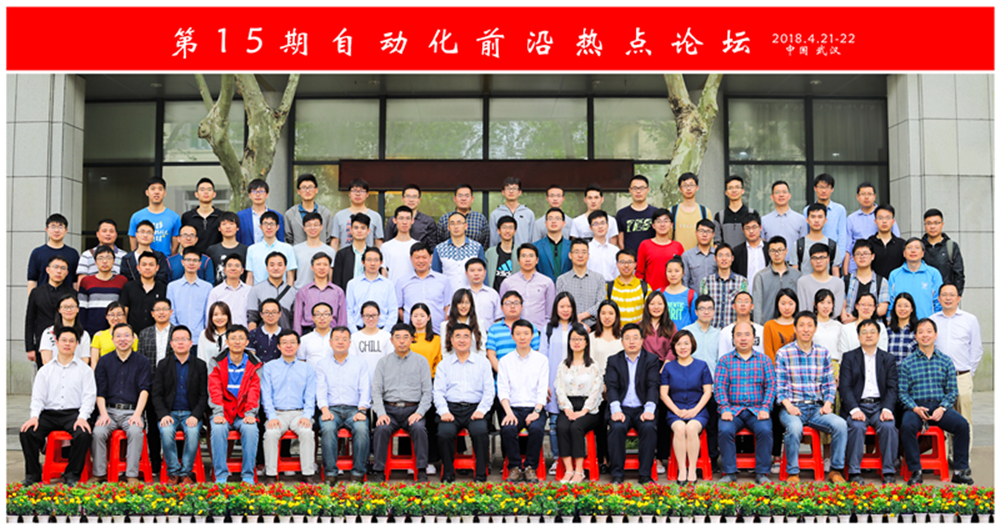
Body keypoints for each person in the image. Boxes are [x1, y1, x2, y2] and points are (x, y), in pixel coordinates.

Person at [898, 319, 974, 486]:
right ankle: (915, 471)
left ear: (935, 335)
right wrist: (915, 408)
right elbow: (902, 392)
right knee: (907, 426)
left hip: (940, 406)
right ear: (916, 336)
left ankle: (960, 471)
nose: (925, 335)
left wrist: (943, 407)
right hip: (917, 407)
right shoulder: (907, 363)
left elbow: (952, 390)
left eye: (929, 331)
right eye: (921, 332)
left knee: (962, 425)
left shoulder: (945, 361)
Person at [775, 312, 848, 483]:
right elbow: (779, 386)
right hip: (792, 407)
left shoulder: (823, 353)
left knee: (841, 425)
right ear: (795, 328)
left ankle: (835, 470)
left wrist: (828, 403)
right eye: (801, 325)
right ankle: (793, 473)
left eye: (810, 325)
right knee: (794, 427)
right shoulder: (784, 353)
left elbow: (829, 384)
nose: (805, 329)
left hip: (816, 408)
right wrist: (789, 406)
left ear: (815, 329)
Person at [20, 327, 96, 487]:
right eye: (64, 340)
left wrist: (82, 417)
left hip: (73, 414)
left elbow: (89, 397)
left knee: (83, 434)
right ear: (56, 342)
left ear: (77, 344)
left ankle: (72, 475)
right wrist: (34, 417)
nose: (67, 344)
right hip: (49, 414)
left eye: (71, 341)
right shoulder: (45, 370)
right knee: (27, 432)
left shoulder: (85, 370)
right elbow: (38, 397)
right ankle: (33, 475)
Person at [370, 323, 433, 483]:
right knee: (381, 429)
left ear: (412, 339)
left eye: (406, 337)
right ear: (392, 340)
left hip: (413, 409)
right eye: (397, 337)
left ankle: (421, 470)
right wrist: (381, 413)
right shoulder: (383, 362)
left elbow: (427, 392)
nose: (402, 341)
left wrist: (419, 413)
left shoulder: (421, 361)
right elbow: (376, 391)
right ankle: (379, 471)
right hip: (389, 410)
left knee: (419, 429)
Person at [90, 323, 152, 484]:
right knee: (98, 432)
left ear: (133, 339)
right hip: (109, 411)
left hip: (132, 411)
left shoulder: (142, 362)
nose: (122, 339)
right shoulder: (104, 361)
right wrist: (103, 414)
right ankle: (100, 473)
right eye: (118, 336)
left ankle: (131, 474)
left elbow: (144, 390)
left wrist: (137, 415)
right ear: (112, 339)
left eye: (126, 335)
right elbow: (100, 391)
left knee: (136, 431)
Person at [839, 319, 898, 485]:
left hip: (880, 406)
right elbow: (845, 387)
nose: (868, 335)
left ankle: (888, 471)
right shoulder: (849, 357)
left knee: (888, 426)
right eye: (864, 332)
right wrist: (854, 409)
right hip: (858, 405)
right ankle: (854, 472)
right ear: (858, 337)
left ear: (878, 336)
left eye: (872, 332)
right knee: (856, 426)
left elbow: (893, 387)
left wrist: (887, 408)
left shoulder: (888, 358)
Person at [715, 321, 775, 484]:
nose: (743, 338)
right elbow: (720, 386)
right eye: (739, 335)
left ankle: (762, 473)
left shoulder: (764, 360)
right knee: (725, 430)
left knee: (765, 430)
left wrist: (765, 407)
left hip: (757, 410)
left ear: (754, 338)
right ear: (733, 338)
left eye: (747, 335)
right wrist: (724, 408)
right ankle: (729, 472)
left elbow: (771, 386)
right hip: (732, 410)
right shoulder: (725, 360)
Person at [435, 323, 494, 483]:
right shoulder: (444, 364)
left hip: (475, 409)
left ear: (472, 340)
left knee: (480, 432)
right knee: (444, 433)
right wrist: (444, 411)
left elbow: (489, 391)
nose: (462, 340)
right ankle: (448, 474)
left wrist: (481, 410)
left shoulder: (483, 363)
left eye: (466, 336)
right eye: (458, 336)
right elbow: (438, 392)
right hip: (451, 408)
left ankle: (480, 475)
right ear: (451, 340)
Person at [150, 326, 209, 485]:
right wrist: (163, 415)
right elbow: (156, 394)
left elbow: (204, 395)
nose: (180, 342)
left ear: (191, 343)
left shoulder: (200, 365)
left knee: (192, 433)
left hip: (191, 413)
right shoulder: (163, 364)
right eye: (177, 339)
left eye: (184, 339)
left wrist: (195, 415)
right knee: (166, 431)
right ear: (171, 344)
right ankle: (174, 472)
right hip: (170, 413)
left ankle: (185, 473)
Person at [259, 328, 318, 484]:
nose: (289, 346)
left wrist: (307, 416)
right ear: (278, 346)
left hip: (300, 413)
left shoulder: (307, 368)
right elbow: (266, 396)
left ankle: (308, 473)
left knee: (307, 432)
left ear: (298, 345)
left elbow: (310, 397)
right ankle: (271, 474)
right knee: (271, 433)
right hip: (278, 413)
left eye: (292, 342)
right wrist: (271, 416)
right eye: (284, 342)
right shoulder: (269, 367)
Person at [931, 283, 983, 455]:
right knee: (942, 418)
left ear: (958, 298)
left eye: (952, 295)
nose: (948, 298)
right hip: (938, 379)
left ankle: (962, 459)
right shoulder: (933, 320)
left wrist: (967, 373)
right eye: (944, 295)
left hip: (961, 376)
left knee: (964, 418)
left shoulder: (970, 320)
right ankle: (944, 457)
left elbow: (976, 350)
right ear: (939, 298)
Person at [316, 326, 371, 485]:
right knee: (327, 428)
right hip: (331, 409)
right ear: (330, 342)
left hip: (354, 409)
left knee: (361, 429)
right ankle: (330, 473)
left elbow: (365, 388)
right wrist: (324, 410)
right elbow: (321, 390)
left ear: (350, 342)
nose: (340, 342)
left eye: (344, 339)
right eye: (337, 339)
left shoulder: (360, 363)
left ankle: (358, 473)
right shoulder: (322, 364)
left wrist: (362, 410)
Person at [605, 323, 660, 484]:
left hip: (643, 408)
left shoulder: (651, 360)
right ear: (622, 341)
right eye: (627, 338)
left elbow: (653, 386)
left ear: (642, 340)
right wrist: (616, 410)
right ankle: (617, 474)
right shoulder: (614, 360)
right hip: (622, 408)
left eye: (635, 338)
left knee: (649, 427)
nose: (632, 341)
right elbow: (612, 387)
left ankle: (645, 475)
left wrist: (649, 409)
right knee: (616, 427)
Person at [208, 325, 262, 484]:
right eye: (233, 338)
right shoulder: (216, 362)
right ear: (227, 342)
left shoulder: (255, 364)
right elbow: (214, 390)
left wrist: (250, 414)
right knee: (218, 428)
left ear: (247, 342)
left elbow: (254, 391)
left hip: (244, 413)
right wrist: (218, 413)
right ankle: (220, 475)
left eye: (241, 338)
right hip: (223, 412)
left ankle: (248, 475)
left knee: (251, 429)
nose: (237, 342)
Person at [497, 319, 550, 483]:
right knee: (508, 429)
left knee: (536, 428)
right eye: (518, 333)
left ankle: (530, 467)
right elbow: (503, 390)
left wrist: (536, 412)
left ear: (532, 336)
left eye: (526, 333)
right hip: (512, 408)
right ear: (512, 336)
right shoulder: (505, 361)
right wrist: (508, 412)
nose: (522, 337)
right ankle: (514, 467)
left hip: (535, 408)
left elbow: (542, 389)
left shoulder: (541, 360)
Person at [660, 329, 713, 485]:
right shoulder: (669, 367)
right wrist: (676, 411)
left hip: (698, 410)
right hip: (675, 410)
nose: (682, 347)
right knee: (679, 428)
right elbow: (663, 394)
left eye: (686, 343)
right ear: (674, 347)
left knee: (691, 428)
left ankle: (692, 469)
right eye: (678, 344)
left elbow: (707, 392)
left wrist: (695, 410)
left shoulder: (702, 365)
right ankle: (682, 469)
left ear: (692, 345)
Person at [553, 324, 603, 483]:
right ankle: (568, 470)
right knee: (562, 426)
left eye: (580, 339)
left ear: (586, 342)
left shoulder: (593, 365)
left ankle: (579, 471)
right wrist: (567, 409)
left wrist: (584, 410)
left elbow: (596, 390)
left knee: (576, 427)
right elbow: (559, 388)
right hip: (568, 405)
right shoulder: (563, 365)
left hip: (589, 409)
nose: (576, 342)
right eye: (573, 339)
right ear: (569, 342)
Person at [540, 292, 579, 473]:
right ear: (556, 308)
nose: (565, 310)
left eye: (569, 306)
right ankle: (557, 459)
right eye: (562, 306)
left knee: (574, 423)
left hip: (576, 383)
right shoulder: (548, 329)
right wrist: (544, 384)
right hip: (554, 382)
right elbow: (543, 358)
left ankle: (575, 458)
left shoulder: (579, 329)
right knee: (555, 422)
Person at [682, 295, 722, 469]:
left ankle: (711, 460)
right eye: (702, 309)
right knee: (687, 425)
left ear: (714, 311)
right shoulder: (687, 332)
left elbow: (720, 362)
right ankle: (687, 459)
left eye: (709, 308)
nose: (706, 312)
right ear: (696, 311)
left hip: (712, 389)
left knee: (712, 426)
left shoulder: (719, 335)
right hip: (690, 388)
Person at [409, 303, 443, 474]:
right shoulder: (407, 338)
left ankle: (429, 459)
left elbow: (439, 362)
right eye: (415, 315)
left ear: (429, 317)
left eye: (422, 316)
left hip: (431, 382)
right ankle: (410, 459)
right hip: (409, 384)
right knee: (410, 420)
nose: (419, 319)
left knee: (428, 423)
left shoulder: (436, 339)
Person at [843, 182, 900, 274]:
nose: (866, 197)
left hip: (882, 263)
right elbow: (848, 248)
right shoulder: (851, 219)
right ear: (857, 197)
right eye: (863, 194)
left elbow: (895, 241)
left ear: (875, 196)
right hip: (857, 266)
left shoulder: (884, 215)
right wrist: (846, 273)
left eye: (869, 194)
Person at [397, 242, 452, 333]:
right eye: (417, 257)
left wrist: (443, 327)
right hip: (412, 334)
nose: (421, 261)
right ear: (411, 259)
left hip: (437, 332)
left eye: (424, 257)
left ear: (431, 257)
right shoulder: (402, 282)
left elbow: (447, 306)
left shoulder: (443, 280)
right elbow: (399, 308)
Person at [167, 248, 213, 355]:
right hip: (178, 340)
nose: (191, 263)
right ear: (182, 262)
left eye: (195, 260)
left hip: (200, 339)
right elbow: (171, 314)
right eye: (188, 260)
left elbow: (207, 315)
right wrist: (179, 334)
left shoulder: (207, 287)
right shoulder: (172, 287)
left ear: (200, 264)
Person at [500, 243, 555, 326]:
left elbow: (550, 313)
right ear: (518, 261)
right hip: (514, 329)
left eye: (531, 256)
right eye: (523, 256)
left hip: (539, 329)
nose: (527, 259)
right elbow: (503, 310)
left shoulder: (547, 282)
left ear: (537, 260)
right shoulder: (508, 282)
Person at [486, 291, 542, 372]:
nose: (512, 306)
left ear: (521, 307)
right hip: (502, 376)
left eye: (516, 303)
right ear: (501, 308)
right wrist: (502, 373)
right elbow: (491, 354)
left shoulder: (531, 327)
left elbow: (536, 352)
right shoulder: (493, 329)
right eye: (508, 303)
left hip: (527, 375)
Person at [887, 238, 943, 320]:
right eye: (909, 248)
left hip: (927, 323)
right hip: (902, 323)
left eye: (917, 248)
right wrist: (889, 319)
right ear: (904, 253)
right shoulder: (894, 274)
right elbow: (891, 301)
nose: (913, 251)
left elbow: (939, 301)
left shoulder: (933, 273)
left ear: (923, 253)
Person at [556, 239, 606, 328]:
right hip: (569, 326)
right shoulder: (562, 280)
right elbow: (560, 306)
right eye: (576, 252)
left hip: (594, 327)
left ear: (588, 255)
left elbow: (601, 303)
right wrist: (575, 320)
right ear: (570, 255)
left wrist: (582, 316)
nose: (580, 255)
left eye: (583, 252)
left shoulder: (599, 278)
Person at [295, 252, 349, 335]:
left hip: (332, 333)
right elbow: (297, 319)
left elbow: (342, 318)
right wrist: (297, 338)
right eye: (318, 264)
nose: (322, 268)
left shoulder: (338, 292)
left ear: (330, 268)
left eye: (325, 265)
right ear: (312, 267)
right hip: (309, 332)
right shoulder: (303, 291)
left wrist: (341, 335)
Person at [751, 237, 801, 324]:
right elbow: (757, 306)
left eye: (780, 250)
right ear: (769, 253)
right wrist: (758, 327)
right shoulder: (761, 276)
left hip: (792, 325)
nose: (777, 254)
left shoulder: (797, 275)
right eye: (773, 251)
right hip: (767, 324)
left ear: (786, 251)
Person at [699, 243, 748, 329]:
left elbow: (745, 308)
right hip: (711, 330)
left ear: (732, 258)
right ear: (715, 258)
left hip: (733, 330)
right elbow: (702, 309)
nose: (724, 258)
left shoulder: (741, 281)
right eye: (720, 255)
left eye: (727, 255)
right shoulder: (706, 281)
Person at [432, 211, 486, 290]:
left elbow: (483, 274)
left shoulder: (477, 247)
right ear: (448, 227)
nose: (456, 226)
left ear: (466, 226)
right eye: (452, 223)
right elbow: (436, 276)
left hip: (472, 294)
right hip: (447, 295)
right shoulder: (439, 249)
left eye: (459, 223)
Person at [346, 247, 396, 331]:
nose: (372, 263)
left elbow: (393, 311)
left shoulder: (388, 284)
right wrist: (354, 332)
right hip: (358, 329)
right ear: (363, 262)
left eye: (376, 260)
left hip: (382, 329)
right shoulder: (353, 284)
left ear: (381, 263)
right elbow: (348, 311)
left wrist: (385, 332)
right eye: (369, 260)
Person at [129, 176, 181, 256]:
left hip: (165, 260)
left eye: (160, 189)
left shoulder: (174, 217)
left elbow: (175, 248)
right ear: (147, 192)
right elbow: (133, 246)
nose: (156, 192)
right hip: (143, 261)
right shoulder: (136, 217)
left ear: (164, 193)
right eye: (153, 189)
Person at [27, 213, 79, 293]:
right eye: (53, 227)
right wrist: (32, 299)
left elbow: (75, 281)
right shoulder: (37, 253)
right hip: (43, 298)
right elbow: (32, 280)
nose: (56, 230)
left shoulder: (73, 253)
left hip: (67, 298)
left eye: (60, 227)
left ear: (66, 230)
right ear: (47, 229)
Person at [246, 251, 298, 330]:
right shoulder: (256, 290)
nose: (276, 268)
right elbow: (252, 317)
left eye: (280, 265)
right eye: (272, 265)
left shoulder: (293, 292)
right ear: (267, 268)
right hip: (263, 336)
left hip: (285, 336)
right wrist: (253, 336)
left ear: (285, 268)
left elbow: (295, 319)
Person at [841, 240, 890, 323]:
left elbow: (882, 309)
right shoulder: (845, 280)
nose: (862, 256)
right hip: (850, 327)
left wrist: (857, 318)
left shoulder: (882, 281)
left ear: (872, 256)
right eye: (858, 254)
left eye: (865, 253)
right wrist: (846, 319)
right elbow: (842, 306)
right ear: (853, 258)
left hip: (873, 327)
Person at [120, 251, 168, 334]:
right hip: (133, 335)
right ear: (138, 267)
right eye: (144, 265)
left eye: (151, 265)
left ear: (157, 268)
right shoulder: (129, 287)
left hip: (156, 335)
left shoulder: (163, 288)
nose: (147, 268)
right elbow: (124, 313)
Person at [636, 208, 684, 291]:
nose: (662, 224)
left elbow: (682, 272)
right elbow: (639, 273)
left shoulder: (678, 246)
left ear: (671, 225)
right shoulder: (645, 245)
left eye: (666, 221)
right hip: (651, 293)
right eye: (658, 221)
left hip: (673, 293)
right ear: (653, 225)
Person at [245, 212, 297, 287]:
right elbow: (250, 277)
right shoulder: (252, 249)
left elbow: (290, 276)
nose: (269, 227)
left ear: (277, 227)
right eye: (265, 224)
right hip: (258, 292)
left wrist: (288, 292)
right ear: (260, 227)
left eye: (272, 224)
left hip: (281, 291)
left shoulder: (288, 248)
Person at [37, 293, 91, 365]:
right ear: (59, 309)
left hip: (77, 371)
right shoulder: (48, 333)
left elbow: (85, 361)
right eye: (65, 307)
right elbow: (46, 361)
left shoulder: (84, 335)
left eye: (72, 307)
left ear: (78, 309)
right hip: (53, 371)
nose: (68, 310)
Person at [803, 174, 848, 259]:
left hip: (833, 254)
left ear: (832, 189)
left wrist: (839, 258)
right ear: (815, 188)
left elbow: (842, 236)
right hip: (813, 256)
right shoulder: (807, 210)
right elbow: (806, 233)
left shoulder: (840, 210)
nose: (823, 191)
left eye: (827, 187)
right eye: (820, 187)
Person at [795, 243, 845, 320]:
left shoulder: (838, 283)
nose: (818, 261)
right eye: (814, 258)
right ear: (810, 261)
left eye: (822, 257)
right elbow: (803, 309)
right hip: (809, 324)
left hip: (831, 323)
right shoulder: (802, 282)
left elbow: (837, 311)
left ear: (828, 259)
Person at [922, 208, 965, 295]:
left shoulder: (951, 246)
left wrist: (956, 296)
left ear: (942, 224)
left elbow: (959, 275)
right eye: (929, 223)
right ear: (924, 225)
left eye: (936, 223)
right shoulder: (919, 247)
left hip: (945, 296)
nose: (932, 226)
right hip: (923, 295)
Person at [331, 178, 384, 249]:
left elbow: (378, 242)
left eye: (361, 191)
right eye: (354, 191)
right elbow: (335, 241)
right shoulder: (339, 216)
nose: (358, 194)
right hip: (345, 255)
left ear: (367, 194)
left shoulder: (375, 217)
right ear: (349, 193)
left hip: (367, 255)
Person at [792, 203, 842, 277]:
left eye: (820, 217)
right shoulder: (798, 245)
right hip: (804, 284)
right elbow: (794, 274)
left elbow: (836, 274)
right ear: (807, 220)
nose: (816, 220)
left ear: (825, 220)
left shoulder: (832, 245)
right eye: (813, 217)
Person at [838, 294, 889, 366]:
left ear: (874, 307)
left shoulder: (881, 327)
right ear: (856, 306)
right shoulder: (846, 329)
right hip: (852, 369)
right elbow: (844, 355)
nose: (866, 308)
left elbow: (883, 353)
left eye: (870, 305)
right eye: (863, 304)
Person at [349, 301, 395, 382]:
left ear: (379, 315)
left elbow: (390, 362)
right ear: (361, 316)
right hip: (360, 381)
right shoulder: (354, 337)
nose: (370, 319)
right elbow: (353, 363)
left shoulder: (387, 336)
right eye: (367, 316)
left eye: (374, 315)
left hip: (382, 381)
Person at [284, 173, 334, 245]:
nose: (307, 191)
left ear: (316, 190)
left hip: (320, 251)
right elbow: (289, 239)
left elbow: (328, 238)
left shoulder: (325, 213)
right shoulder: (290, 214)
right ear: (298, 191)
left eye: (310, 187)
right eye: (304, 188)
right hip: (298, 251)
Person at [385, 184, 440, 250]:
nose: (411, 200)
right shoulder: (393, 220)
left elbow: (432, 246)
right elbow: (388, 243)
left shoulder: (428, 221)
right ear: (402, 199)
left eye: (414, 197)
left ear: (419, 199)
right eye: (408, 196)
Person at [292, 212, 338, 289]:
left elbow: (330, 276)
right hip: (300, 291)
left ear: (321, 227)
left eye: (316, 225)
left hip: (322, 291)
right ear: (304, 228)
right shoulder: (295, 249)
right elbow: (292, 274)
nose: (312, 228)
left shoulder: (330, 251)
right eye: (309, 225)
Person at [669, 173, 713, 252]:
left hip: (699, 257)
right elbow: (667, 238)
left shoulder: (705, 212)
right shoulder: (672, 211)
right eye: (685, 185)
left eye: (691, 185)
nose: (688, 188)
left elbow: (710, 239)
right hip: (677, 257)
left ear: (697, 187)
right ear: (680, 189)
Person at [437, 183, 489, 248]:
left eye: (467, 196)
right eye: (460, 195)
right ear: (454, 199)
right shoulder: (444, 219)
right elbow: (439, 243)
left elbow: (485, 243)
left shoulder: (480, 218)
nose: (463, 198)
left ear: (472, 199)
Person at [236, 178, 285, 247]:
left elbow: (280, 241)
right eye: (254, 191)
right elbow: (237, 239)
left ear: (267, 195)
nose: (258, 195)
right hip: (247, 252)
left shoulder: (278, 216)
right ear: (249, 195)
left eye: (261, 191)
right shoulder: (241, 216)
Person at [489, 176, 535, 249]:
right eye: (508, 188)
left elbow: (532, 238)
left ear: (519, 192)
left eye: (514, 188)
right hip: (501, 253)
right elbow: (493, 240)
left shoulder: (528, 213)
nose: (511, 191)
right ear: (503, 192)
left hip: (523, 253)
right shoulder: (495, 214)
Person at [180, 177, 223, 255]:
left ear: (214, 194)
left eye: (209, 189)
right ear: (196, 194)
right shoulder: (187, 217)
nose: (206, 192)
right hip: (194, 258)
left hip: (216, 257)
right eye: (202, 189)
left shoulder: (221, 216)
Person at [206, 255, 251, 327]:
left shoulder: (250, 291)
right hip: (223, 332)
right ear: (224, 270)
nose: (233, 268)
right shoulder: (216, 292)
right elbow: (210, 315)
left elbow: (253, 315)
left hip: (244, 332)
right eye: (229, 266)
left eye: (237, 266)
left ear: (242, 270)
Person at [760, 181, 808, 249]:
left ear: (789, 196)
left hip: (794, 256)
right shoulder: (764, 220)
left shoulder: (801, 219)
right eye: (777, 192)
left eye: (784, 192)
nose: (781, 195)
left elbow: (804, 245)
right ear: (772, 197)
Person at [441, 288, 487, 359]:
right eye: (460, 302)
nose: (464, 306)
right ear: (455, 305)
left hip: (475, 364)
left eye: (467, 302)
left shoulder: (479, 324)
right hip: (453, 364)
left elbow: (482, 351)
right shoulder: (445, 325)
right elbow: (445, 353)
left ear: (471, 305)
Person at [205, 211, 248, 286]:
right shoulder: (212, 250)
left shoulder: (246, 250)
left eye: (231, 224)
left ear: (237, 228)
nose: (228, 227)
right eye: (224, 224)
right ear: (219, 228)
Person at [616, 175, 657, 252]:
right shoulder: (621, 214)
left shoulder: (655, 213)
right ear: (630, 190)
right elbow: (620, 242)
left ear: (648, 190)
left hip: (651, 256)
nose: (638, 191)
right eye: (635, 188)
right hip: (630, 257)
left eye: (642, 188)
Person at [607, 249, 649, 325]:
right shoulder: (608, 288)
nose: (626, 265)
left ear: (635, 264)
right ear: (617, 264)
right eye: (622, 262)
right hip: (616, 331)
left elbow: (649, 314)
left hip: (638, 331)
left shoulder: (645, 287)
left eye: (630, 262)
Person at [88, 302, 137, 368]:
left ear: (124, 316)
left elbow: (135, 359)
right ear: (106, 317)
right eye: (112, 315)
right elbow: (94, 362)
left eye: (119, 314)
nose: (115, 318)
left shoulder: (132, 336)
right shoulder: (99, 335)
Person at [121, 220, 170, 284]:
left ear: (153, 236)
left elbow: (162, 278)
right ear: (136, 234)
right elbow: (124, 280)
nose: (145, 235)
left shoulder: (160, 257)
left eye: (149, 233)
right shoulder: (127, 259)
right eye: (142, 232)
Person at [717, 291, 765, 358]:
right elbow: (722, 357)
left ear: (752, 306)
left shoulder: (762, 330)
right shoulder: (725, 332)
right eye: (739, 302)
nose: (743, 304)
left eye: (746, 302)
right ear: (733, 306)